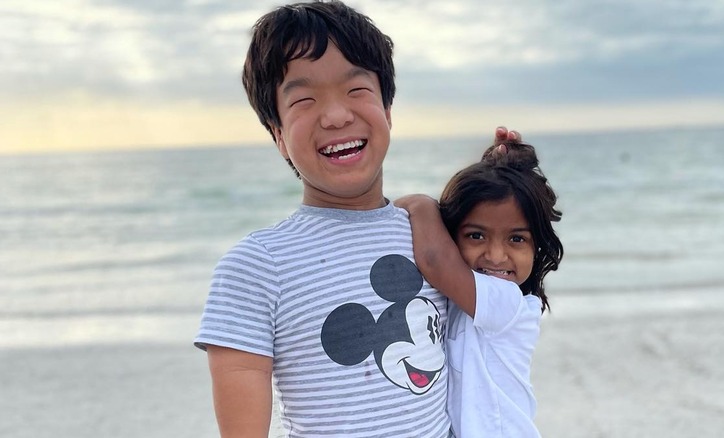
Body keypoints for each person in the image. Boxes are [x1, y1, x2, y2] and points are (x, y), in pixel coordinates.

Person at [193, 1, 523, 436]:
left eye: (356, 91)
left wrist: (508, 174)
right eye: (305, 100)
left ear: (387, 111)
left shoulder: (434, 235)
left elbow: (507, 267)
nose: (336, 115)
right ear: (278, 135)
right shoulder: (256, 267)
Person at [395, 139, 564, 437]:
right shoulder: (460, 298)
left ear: (537, 246)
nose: (496, 256)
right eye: (476, 236)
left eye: (516, 239)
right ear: (451, 236)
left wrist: (419, 204)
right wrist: (501, 164)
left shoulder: (508, 303)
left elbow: (435, 260)